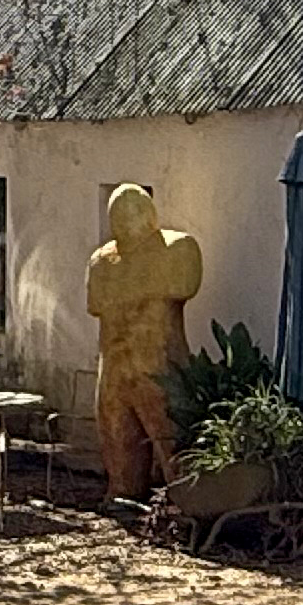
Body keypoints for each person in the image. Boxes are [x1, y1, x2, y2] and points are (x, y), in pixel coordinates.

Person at [84, 182, 203, 500]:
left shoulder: (177, 249)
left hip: (159, 364)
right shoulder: (102, 260)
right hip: (114, 366)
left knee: (170, 438)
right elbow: (95, 303)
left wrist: (135, 285)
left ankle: (183, 501)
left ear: (151, 214)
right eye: (117, 213)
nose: (125, 219)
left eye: (135, 210)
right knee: (118, 443)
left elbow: (185, 284)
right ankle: (123, 493)